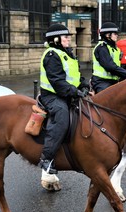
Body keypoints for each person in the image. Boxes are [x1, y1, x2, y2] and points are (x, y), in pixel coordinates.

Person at [38, 23, 88, 174]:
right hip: (52, 96)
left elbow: (76, 76)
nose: (68, 39)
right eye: (66, 37)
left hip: (67, 93)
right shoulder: (52, 54)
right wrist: (75, 92)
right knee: (61, 116)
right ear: (56, 39)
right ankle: (47, 158)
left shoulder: (68, 54)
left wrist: (84, 85)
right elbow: (57, 81)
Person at [91, 22, 126, 93]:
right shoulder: (102, 48)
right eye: (115, 33)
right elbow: (110, 66)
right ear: (108, 35)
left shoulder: (115, 49)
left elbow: (118, 65)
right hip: (101, 82)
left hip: (113, 81)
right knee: (106, 101)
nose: (117, 35)